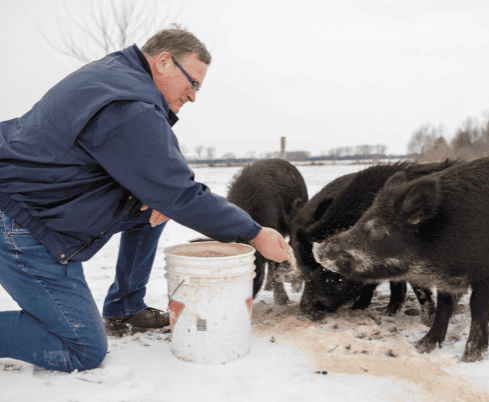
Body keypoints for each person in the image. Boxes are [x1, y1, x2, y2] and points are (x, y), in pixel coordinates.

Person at [0, 25, 293, 373]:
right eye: (193, 83)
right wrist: (255, 233)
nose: (194, 96)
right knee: (82, 350)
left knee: (156, 208)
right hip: (24, 221)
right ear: (165, 61)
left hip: (40, 199)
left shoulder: (115, 76)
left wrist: (157, 194)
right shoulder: (130, 104)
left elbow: (141, 175)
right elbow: (180, 192)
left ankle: (125, 307)